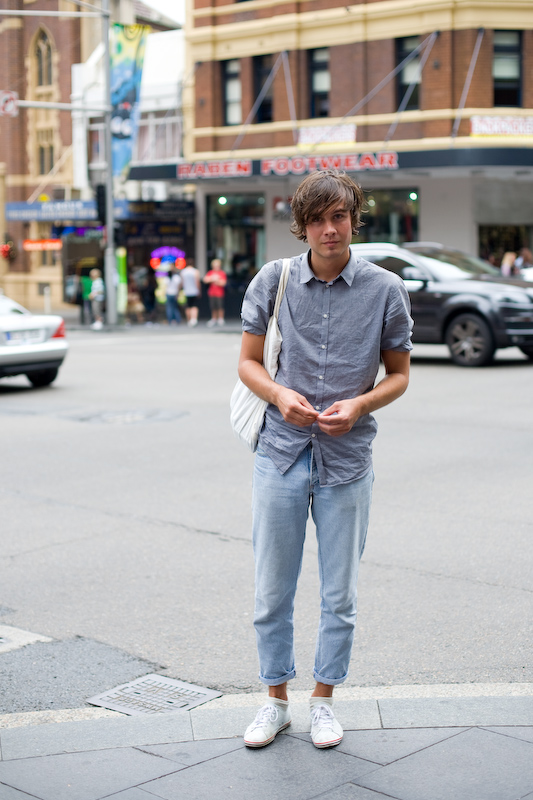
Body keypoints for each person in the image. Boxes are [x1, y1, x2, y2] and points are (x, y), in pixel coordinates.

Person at [237, 169, 413, 750]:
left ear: (354, 220)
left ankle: (323, 701)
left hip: (347, 459)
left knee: (339, 595)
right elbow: (248, 363)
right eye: (317, 219)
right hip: (280, 454)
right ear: (302, 225)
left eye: (339, 216)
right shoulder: (274, 279)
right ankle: (274, 701)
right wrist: (278, 395)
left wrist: (360, 404)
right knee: (272, 592)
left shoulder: (385, 289)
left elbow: (399, 374)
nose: (329, 229)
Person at [203, 258, 227, 327]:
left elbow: (223, 283)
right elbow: (205, 280)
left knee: (220, 306)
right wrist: (212, 279)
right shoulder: (210, 272)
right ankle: (214, 319)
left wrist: (216, 281)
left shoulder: (222, 273)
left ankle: (220, 319)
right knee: (213, 307)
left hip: (220, 293)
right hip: (211, 293)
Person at [180, 258, 201, 326]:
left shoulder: (183, 272)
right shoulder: (195, 271)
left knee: (188, 306)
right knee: (194, 306)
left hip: (186, 291)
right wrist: (199, 290)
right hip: (194, 291)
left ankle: (189, 320)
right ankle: (194, 319)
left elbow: (182, 283)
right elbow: (197, 282)